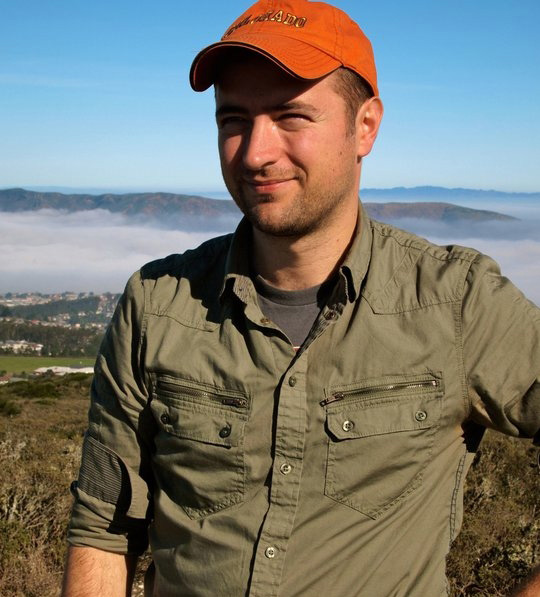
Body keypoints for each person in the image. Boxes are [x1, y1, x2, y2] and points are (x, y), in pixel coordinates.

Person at [62, 1, 540, 595]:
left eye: (291, 116)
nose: (256, 152)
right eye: (233, 119)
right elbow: (103, 528)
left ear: (365, 127)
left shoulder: (455, 302)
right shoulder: (157, 304)